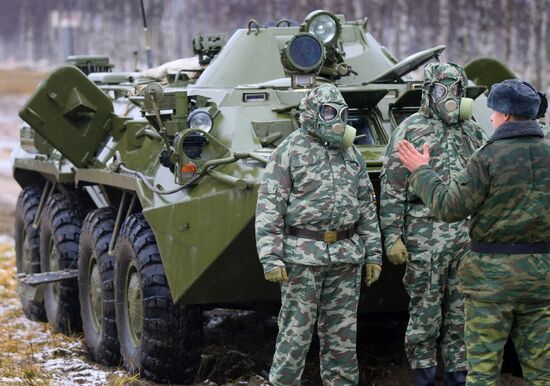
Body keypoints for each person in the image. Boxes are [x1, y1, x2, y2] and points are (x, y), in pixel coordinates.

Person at [397, 79, 550, 385]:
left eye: (493, 112)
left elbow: (448, 207)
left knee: (482, 372)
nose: (490, 118)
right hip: (541, 281)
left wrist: (422, 171)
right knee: (542, 372)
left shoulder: (487, 157)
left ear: (505, 115)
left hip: (490, 285)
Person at [255, 83, 383, 385]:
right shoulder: (288, 151)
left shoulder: (351, 154)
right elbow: (269, 207)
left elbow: (366, 205)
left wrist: (374, 254)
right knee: (294, 335)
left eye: (340, 112)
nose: (336, 119)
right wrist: (271, 257)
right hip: (302, 259)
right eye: (328, 112)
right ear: (312, 114)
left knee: (342, 339)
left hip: (345, 258)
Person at [379, 62, 486, 386]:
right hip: (425, 235)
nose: (449, 97)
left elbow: (486, 182)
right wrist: (392, 237)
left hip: (466, 237)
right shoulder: (411, 130)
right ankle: (423, 375)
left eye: (456, 90)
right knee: (425, 312)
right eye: (441, 90)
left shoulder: (472, 131)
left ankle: (459, 374)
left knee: (463, 312)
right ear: (428, 93)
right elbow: (392, 187)